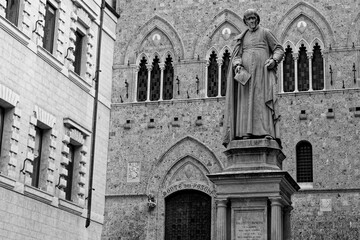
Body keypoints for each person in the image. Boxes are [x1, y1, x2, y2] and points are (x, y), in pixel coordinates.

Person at [223, 9, 284, 147]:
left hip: (262, 74)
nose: (252, 21)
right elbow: (237, 55)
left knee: (262, 100)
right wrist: (237, 65)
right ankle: (245, 132)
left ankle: (266, 131)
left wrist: (274, 60)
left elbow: (279, 49)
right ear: (245, 21)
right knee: (246, 102)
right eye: (249, 19)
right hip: (246, 77)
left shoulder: (265, 33)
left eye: (253, 18)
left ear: (257, 19)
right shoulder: (242, 37)